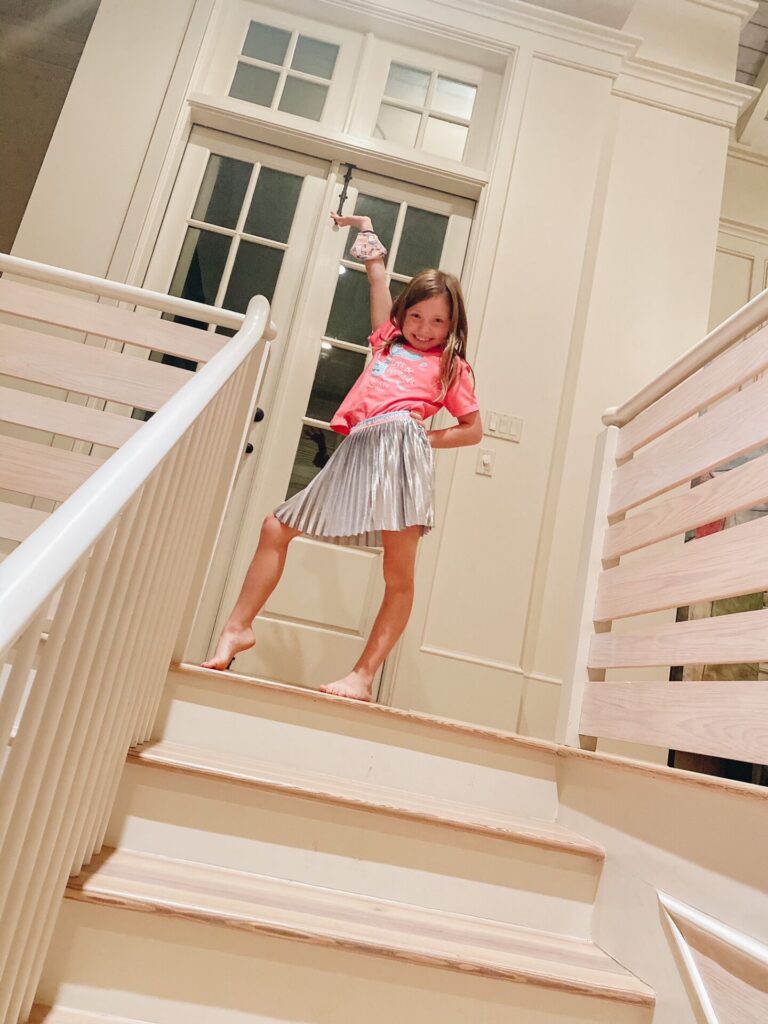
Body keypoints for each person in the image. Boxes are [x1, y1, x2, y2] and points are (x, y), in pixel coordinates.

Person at [202, 212, 483, 700]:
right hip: (359, 448)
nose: (423, 328)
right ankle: (237, 629)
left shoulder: (452, 368)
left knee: (398, 574)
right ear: (403, 315)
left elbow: (472, 431)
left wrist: (422, 440)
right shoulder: (388, 343)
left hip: (401, 457)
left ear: (452, 324)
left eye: (438, 321)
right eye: (416, 316)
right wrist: (365, 228)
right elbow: (377, 276)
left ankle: (363, 676)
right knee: (276, 526)